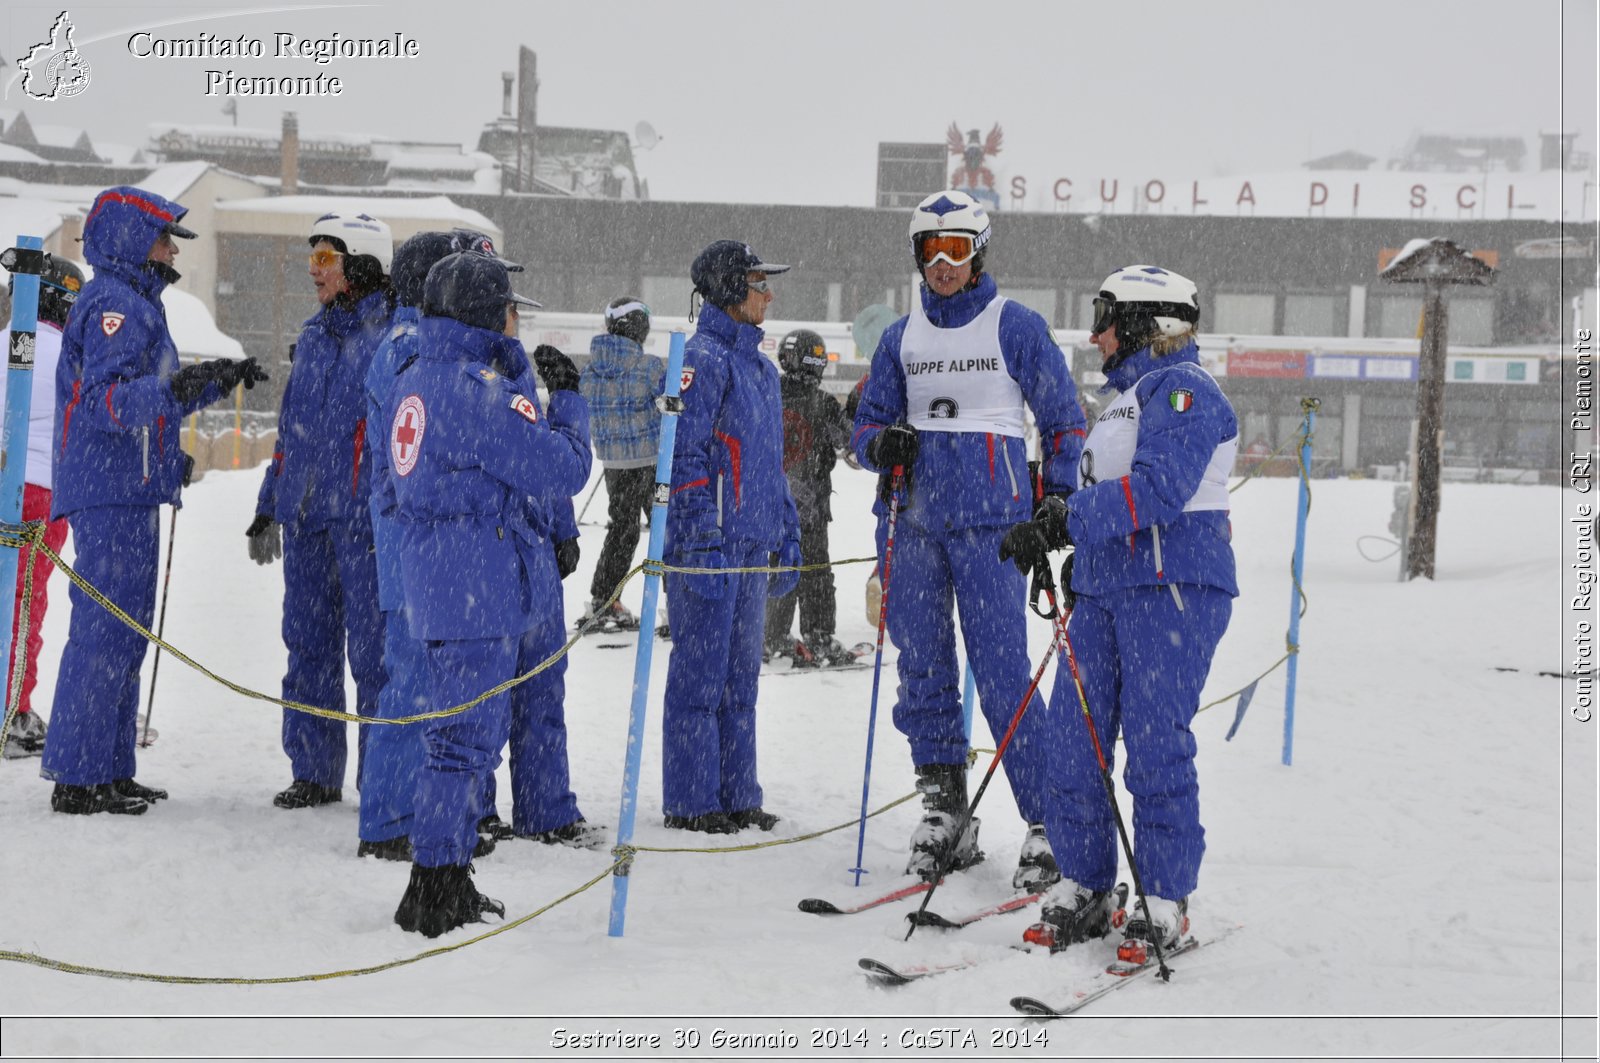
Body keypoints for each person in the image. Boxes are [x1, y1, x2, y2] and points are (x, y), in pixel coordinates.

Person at [999, 265, 1238, 957]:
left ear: (1146, 321)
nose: (1097, 331)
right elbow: (1110, 499)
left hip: (1173, 586)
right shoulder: (1126, 399)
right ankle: (1086, 881)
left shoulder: (1186, 388)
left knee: (1155, 745)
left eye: (1107, 314)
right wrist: (1072, 547)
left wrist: (1066, 519)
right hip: (1108, 591)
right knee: (1075, 742)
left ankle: (1164, 896)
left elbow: (1161, 489)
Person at [851, 189, 1086, 886]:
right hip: (915, 523)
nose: (943, 264)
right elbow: (865, 428)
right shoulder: (901, 337)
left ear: (978, 252)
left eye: (957, 250)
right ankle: (945, 807)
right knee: (922, 667)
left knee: (1005, 675)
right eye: (931, 250)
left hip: (995, 527)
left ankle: (1049, 821)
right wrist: (880, 443)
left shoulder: (1016, 326)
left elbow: (1065, 419)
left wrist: (1059, 497)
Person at [384, 251, 590, 936]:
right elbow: (560, 467)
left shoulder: (416, 378)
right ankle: (437, 881)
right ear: (483, 314)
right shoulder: (475, 390)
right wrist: (572, 407)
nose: (512, 323)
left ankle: (442, 872)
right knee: (464, 744)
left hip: (440, 576)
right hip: (475, 582)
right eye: (506, 310)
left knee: (454, 737)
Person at [42, 185, 265, 814]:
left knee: (126, 634)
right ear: (133, 239)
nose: (172, 251)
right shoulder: (113, 302)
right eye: (165, 238)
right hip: (108, 493)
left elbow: (146, 403)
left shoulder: (137, 302)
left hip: (127, 488)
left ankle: (108, 768)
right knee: (104, 633)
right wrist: (175, 389)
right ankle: (79, 776)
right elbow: (103, 402)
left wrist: (208, 384)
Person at [248, 211, 394, 811]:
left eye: (326, 259)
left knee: (374, 657)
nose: (314, 270)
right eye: (312, 258)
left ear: (360, 263)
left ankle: (382, 779)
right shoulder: (312, 336)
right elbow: (292, 433)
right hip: (307, 520)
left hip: (362, 526)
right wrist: (268, 506)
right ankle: (314, 769)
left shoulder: (391, 340)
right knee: (307, 647)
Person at [659, 240, 801, 834]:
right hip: (710, 548)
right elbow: (685, 457)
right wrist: (697, 539)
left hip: (749, 545)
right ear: (726, 289)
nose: (769, 294)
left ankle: (738, 792)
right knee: (700, 676)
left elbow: (769, 464)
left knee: (741, 678)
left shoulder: (762, 369)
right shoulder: (702, 360)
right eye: (758, 283)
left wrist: (787, 531)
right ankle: (692, 800)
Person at [1, 255, 83, 759]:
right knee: (24, 602)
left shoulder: (9, 338)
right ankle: (14, 710)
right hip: (41, 492)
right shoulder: (68, 353)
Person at [763, 328, 853, 665]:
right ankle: (817, 634)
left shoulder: (768, 394)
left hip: (771, 505)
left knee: (778, 568)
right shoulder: (824, 404)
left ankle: (770, 634)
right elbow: (850, 443)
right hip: (810, 508)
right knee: (816, 572)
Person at [577, 296, 662, 632]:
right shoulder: (649, 367)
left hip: (614, 462)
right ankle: (678, 605)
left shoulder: (590, 370)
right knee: (665, 532)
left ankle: (604, 597)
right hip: (653, 461)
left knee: (622, 529)